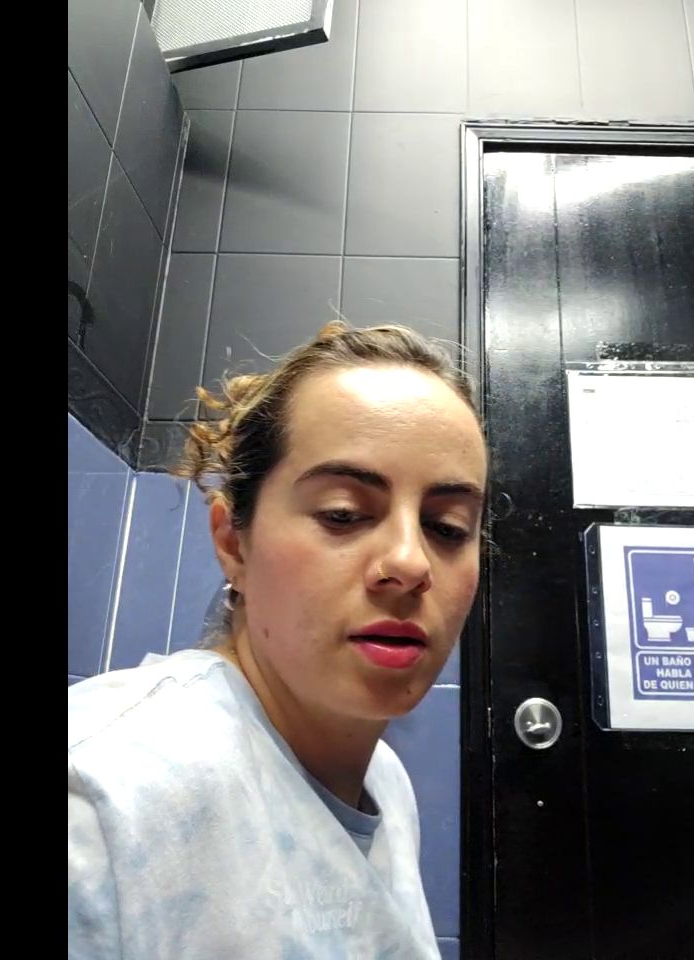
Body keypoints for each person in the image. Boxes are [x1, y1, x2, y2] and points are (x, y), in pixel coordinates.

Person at [68, 321, 488, 959]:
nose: (410, 561)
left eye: (449, 526)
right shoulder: (100, 796)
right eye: (343, 513)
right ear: (233, 543)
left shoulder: (386, 780)